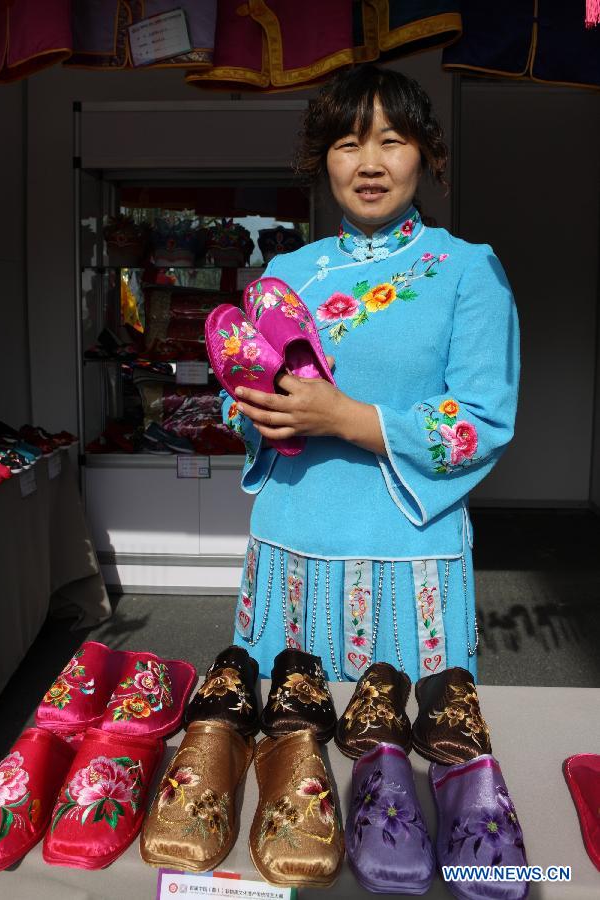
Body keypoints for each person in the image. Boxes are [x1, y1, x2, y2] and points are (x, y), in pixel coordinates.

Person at [221, 63, 519, 682]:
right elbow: (243, 392)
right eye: (348, 143)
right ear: (324, 159)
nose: (370, 163)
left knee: (406, 751)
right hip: (288, 542)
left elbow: (482, 420)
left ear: (425, 153)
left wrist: (343, 418)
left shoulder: (468, 270)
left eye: (391, 140)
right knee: (291, 755)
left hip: (408, 553)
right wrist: (254, 412)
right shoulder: (286, 271)